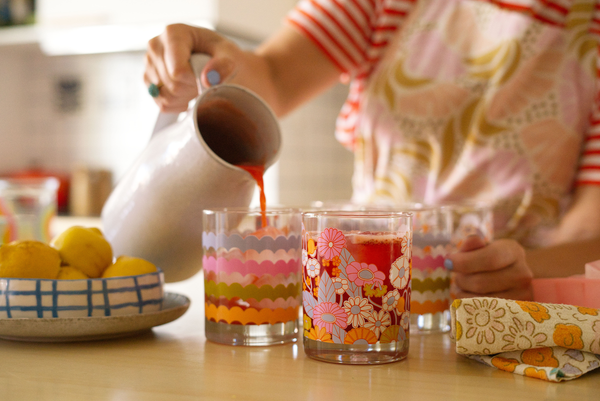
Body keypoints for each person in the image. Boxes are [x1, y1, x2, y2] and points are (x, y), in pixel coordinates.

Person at [143, 0, 600, 300]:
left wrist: (514, 272)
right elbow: (276, 78)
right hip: (357, 296)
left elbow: (590, 229)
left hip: (506, 314)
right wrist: (213, 55)